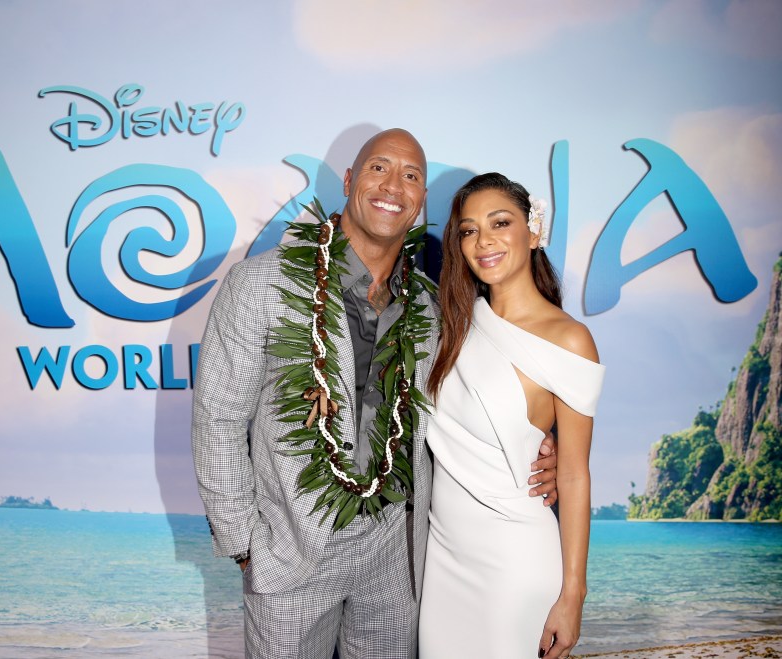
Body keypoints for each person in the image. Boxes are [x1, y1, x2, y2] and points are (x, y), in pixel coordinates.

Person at [192, 131, 559, 659]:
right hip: (292, 551)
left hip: (395, 555)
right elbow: (218, 421)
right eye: (378, 168)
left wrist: (544, 446)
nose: (394, 185)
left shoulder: (435, 309)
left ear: (421, 202)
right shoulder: (260, 285)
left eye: (411, 176)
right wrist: (246, 545)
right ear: (349, 181)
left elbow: (491, 391)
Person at [419, 172, 605, 659]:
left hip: (516, 561)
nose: (484, 241)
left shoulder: (570, 339)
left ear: (534, 230)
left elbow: (574, 473)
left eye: (500, 223)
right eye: (468, 230)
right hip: (443, 560)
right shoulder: (454, 325)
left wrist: (572, 594)